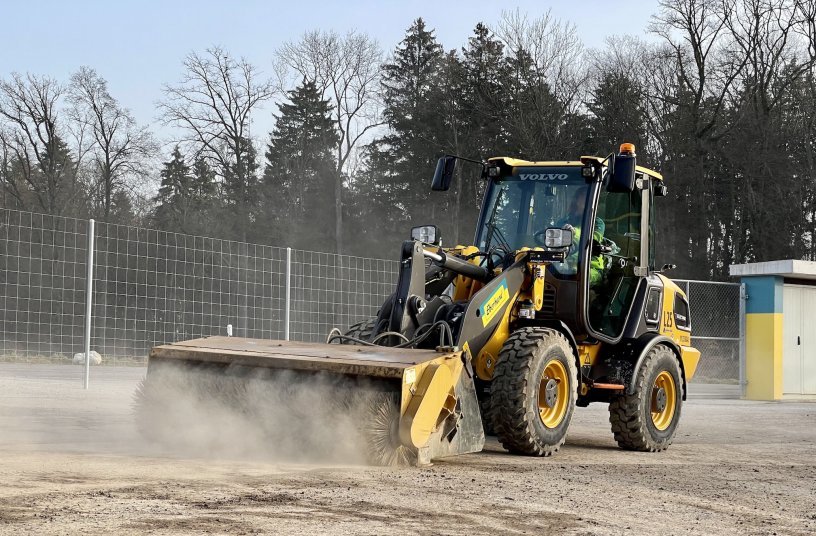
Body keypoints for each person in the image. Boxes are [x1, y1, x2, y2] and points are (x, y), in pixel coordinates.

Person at [555, 186, 606, 286]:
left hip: (590, 267)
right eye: (584, 197)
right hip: (564, 265)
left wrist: (573, 233)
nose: (587, 200)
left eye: (589, 198)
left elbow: (592, 241)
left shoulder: (597, 223)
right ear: (577, 200)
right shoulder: (563, 222)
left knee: (576, 274)